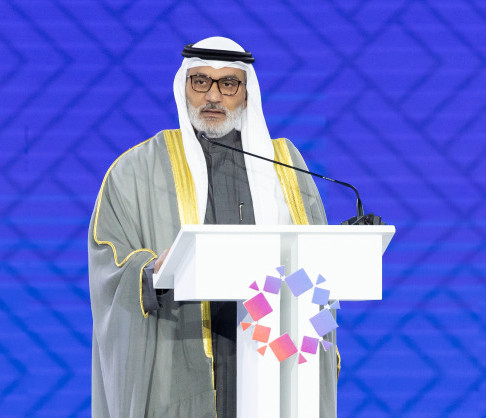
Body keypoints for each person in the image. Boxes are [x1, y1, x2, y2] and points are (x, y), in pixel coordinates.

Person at [89, 36, 338, 417]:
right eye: (201, 81)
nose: (213, 96)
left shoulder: (285, 167)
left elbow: (320, 269)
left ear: (247, 94)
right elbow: (108, 262)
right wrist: (150, 273)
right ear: (184, 87)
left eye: (228, 84)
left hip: (272, 355)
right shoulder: (136, 170)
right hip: (181, 351)